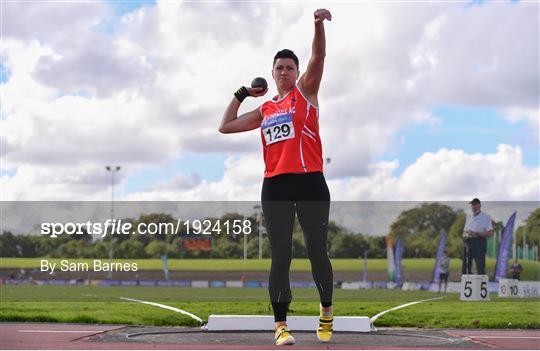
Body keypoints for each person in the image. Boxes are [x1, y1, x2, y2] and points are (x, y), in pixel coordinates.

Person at [218, 8, 333, 346]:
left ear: (297, 73)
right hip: (276, 184)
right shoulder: (266, 109)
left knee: (316, 252)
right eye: (279, 68)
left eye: (289, 68)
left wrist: (316, 25)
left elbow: (319, 55)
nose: (284, 72)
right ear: (272, 73)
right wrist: (242, 93)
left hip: (310, 181)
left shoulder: (306, 94)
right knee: (281, 255)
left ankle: (326, 313)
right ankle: (281, 324)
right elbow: (225, 126)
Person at [462, 198, 493, 275]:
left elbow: (490, 233)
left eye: (475, 204)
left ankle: (481, 283)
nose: (473, 206)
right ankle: (468, 282)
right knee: (465, 266)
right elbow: (465, 230)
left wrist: (476, 233)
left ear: (479, 205)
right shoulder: (468, 216)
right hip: (468, 242)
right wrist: (465, 236)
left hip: (479, 242)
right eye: (472, 205)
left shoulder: (486, 217)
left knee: (480, 265)